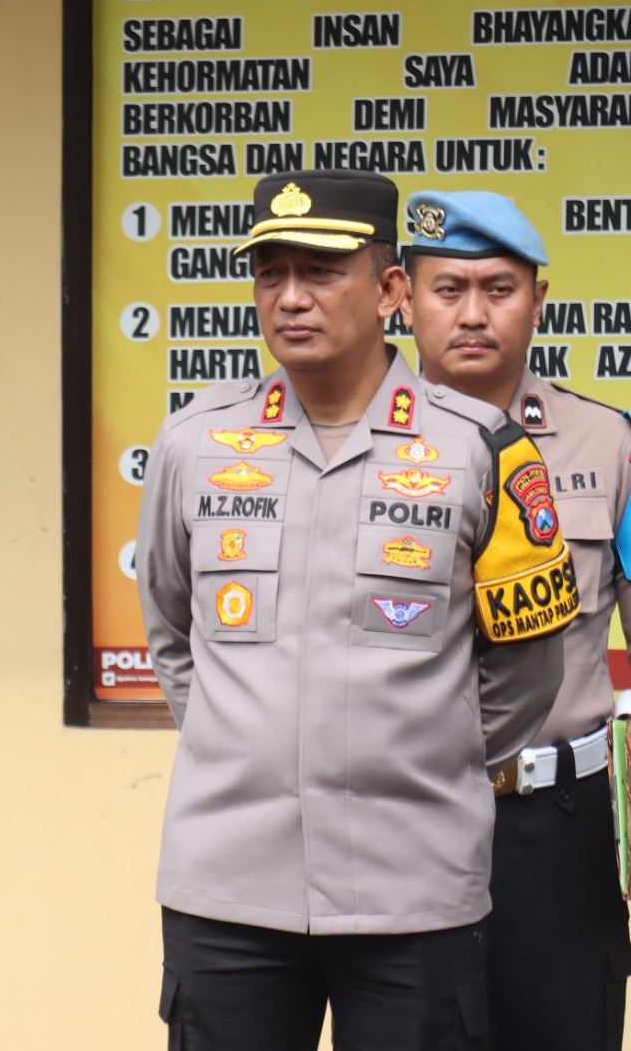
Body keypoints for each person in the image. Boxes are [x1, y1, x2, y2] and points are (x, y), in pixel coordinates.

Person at [136, 169, 578, 1050]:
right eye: (271, 274)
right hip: (227, 889)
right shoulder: (194, 443)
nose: (290, 299)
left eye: (321, 272)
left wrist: (420, 756)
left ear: (387, 291)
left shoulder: (482, 449)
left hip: (412, 888)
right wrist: (250, 744)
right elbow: (172, 632)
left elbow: (529, 668)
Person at [401, 190, 631, 1051]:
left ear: (538, 300)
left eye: (498, 288)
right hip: (401, 818)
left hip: (555, 824)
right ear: (402, 298)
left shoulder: (611, 444)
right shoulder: (355, 450)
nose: (471, 313)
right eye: (446, 288)